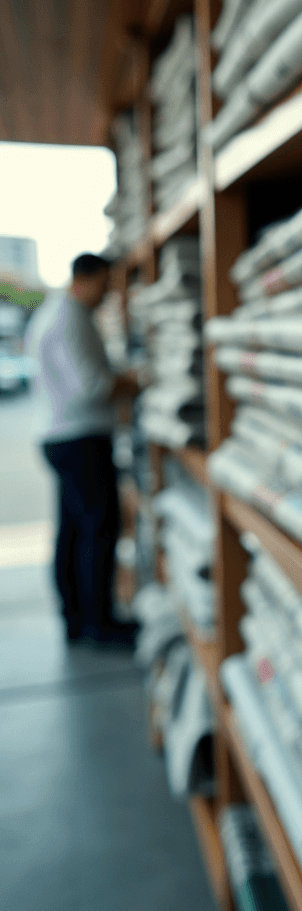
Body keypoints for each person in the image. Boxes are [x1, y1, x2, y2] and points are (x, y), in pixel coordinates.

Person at [24, 253, 141, 647]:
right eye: (105, 284)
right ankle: (98, 623)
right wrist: (135, 381)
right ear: (85, 278)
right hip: (79, 439)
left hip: (63, 437)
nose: (108, 294)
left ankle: (77, 617)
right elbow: (91, 387)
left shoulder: (55, 314)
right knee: (98, 530)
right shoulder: (70, 320)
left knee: (74, 531)